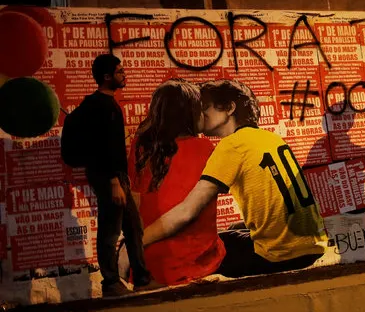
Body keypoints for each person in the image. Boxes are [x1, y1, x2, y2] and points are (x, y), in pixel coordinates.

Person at [142, 79, 327, 277]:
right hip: (313, 246)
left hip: (280, 255)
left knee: (198, 250)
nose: (200, 114)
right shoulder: (271, 138)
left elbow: (187, 212)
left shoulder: (232, 145)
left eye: (205, 107)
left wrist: (140, 239)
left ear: (229, 108)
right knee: (231, 231)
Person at [127, 79, 226, 286]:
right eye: (200, 108)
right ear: (188, 113)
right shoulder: (204, 148)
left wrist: (133, 247)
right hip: (196, 262)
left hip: (149, 262)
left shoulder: (140, 147)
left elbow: (134, 208)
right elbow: (185, 214)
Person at [82, 54, 159, 296]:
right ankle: (111, 283)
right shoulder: (101, 107)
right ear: (107, 77)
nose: (124, 74)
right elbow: (100, 148)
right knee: (110, 230)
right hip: (109, 178)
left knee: (134, 227)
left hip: (117, 178)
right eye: (120, 71)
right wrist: (114, 182)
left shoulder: (108, 104)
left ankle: (142, 278)